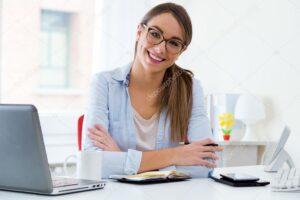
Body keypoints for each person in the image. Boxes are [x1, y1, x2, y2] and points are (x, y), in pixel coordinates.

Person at [83, 2, 223, 178]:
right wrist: (177, 155)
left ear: (182, 50)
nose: (160, 48)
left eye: (173, 43)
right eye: (155, 34)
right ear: (139, 32)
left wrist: (120, 158)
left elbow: (205, 165)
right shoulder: (104, 84)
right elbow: (92, 165)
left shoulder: (190, 88)